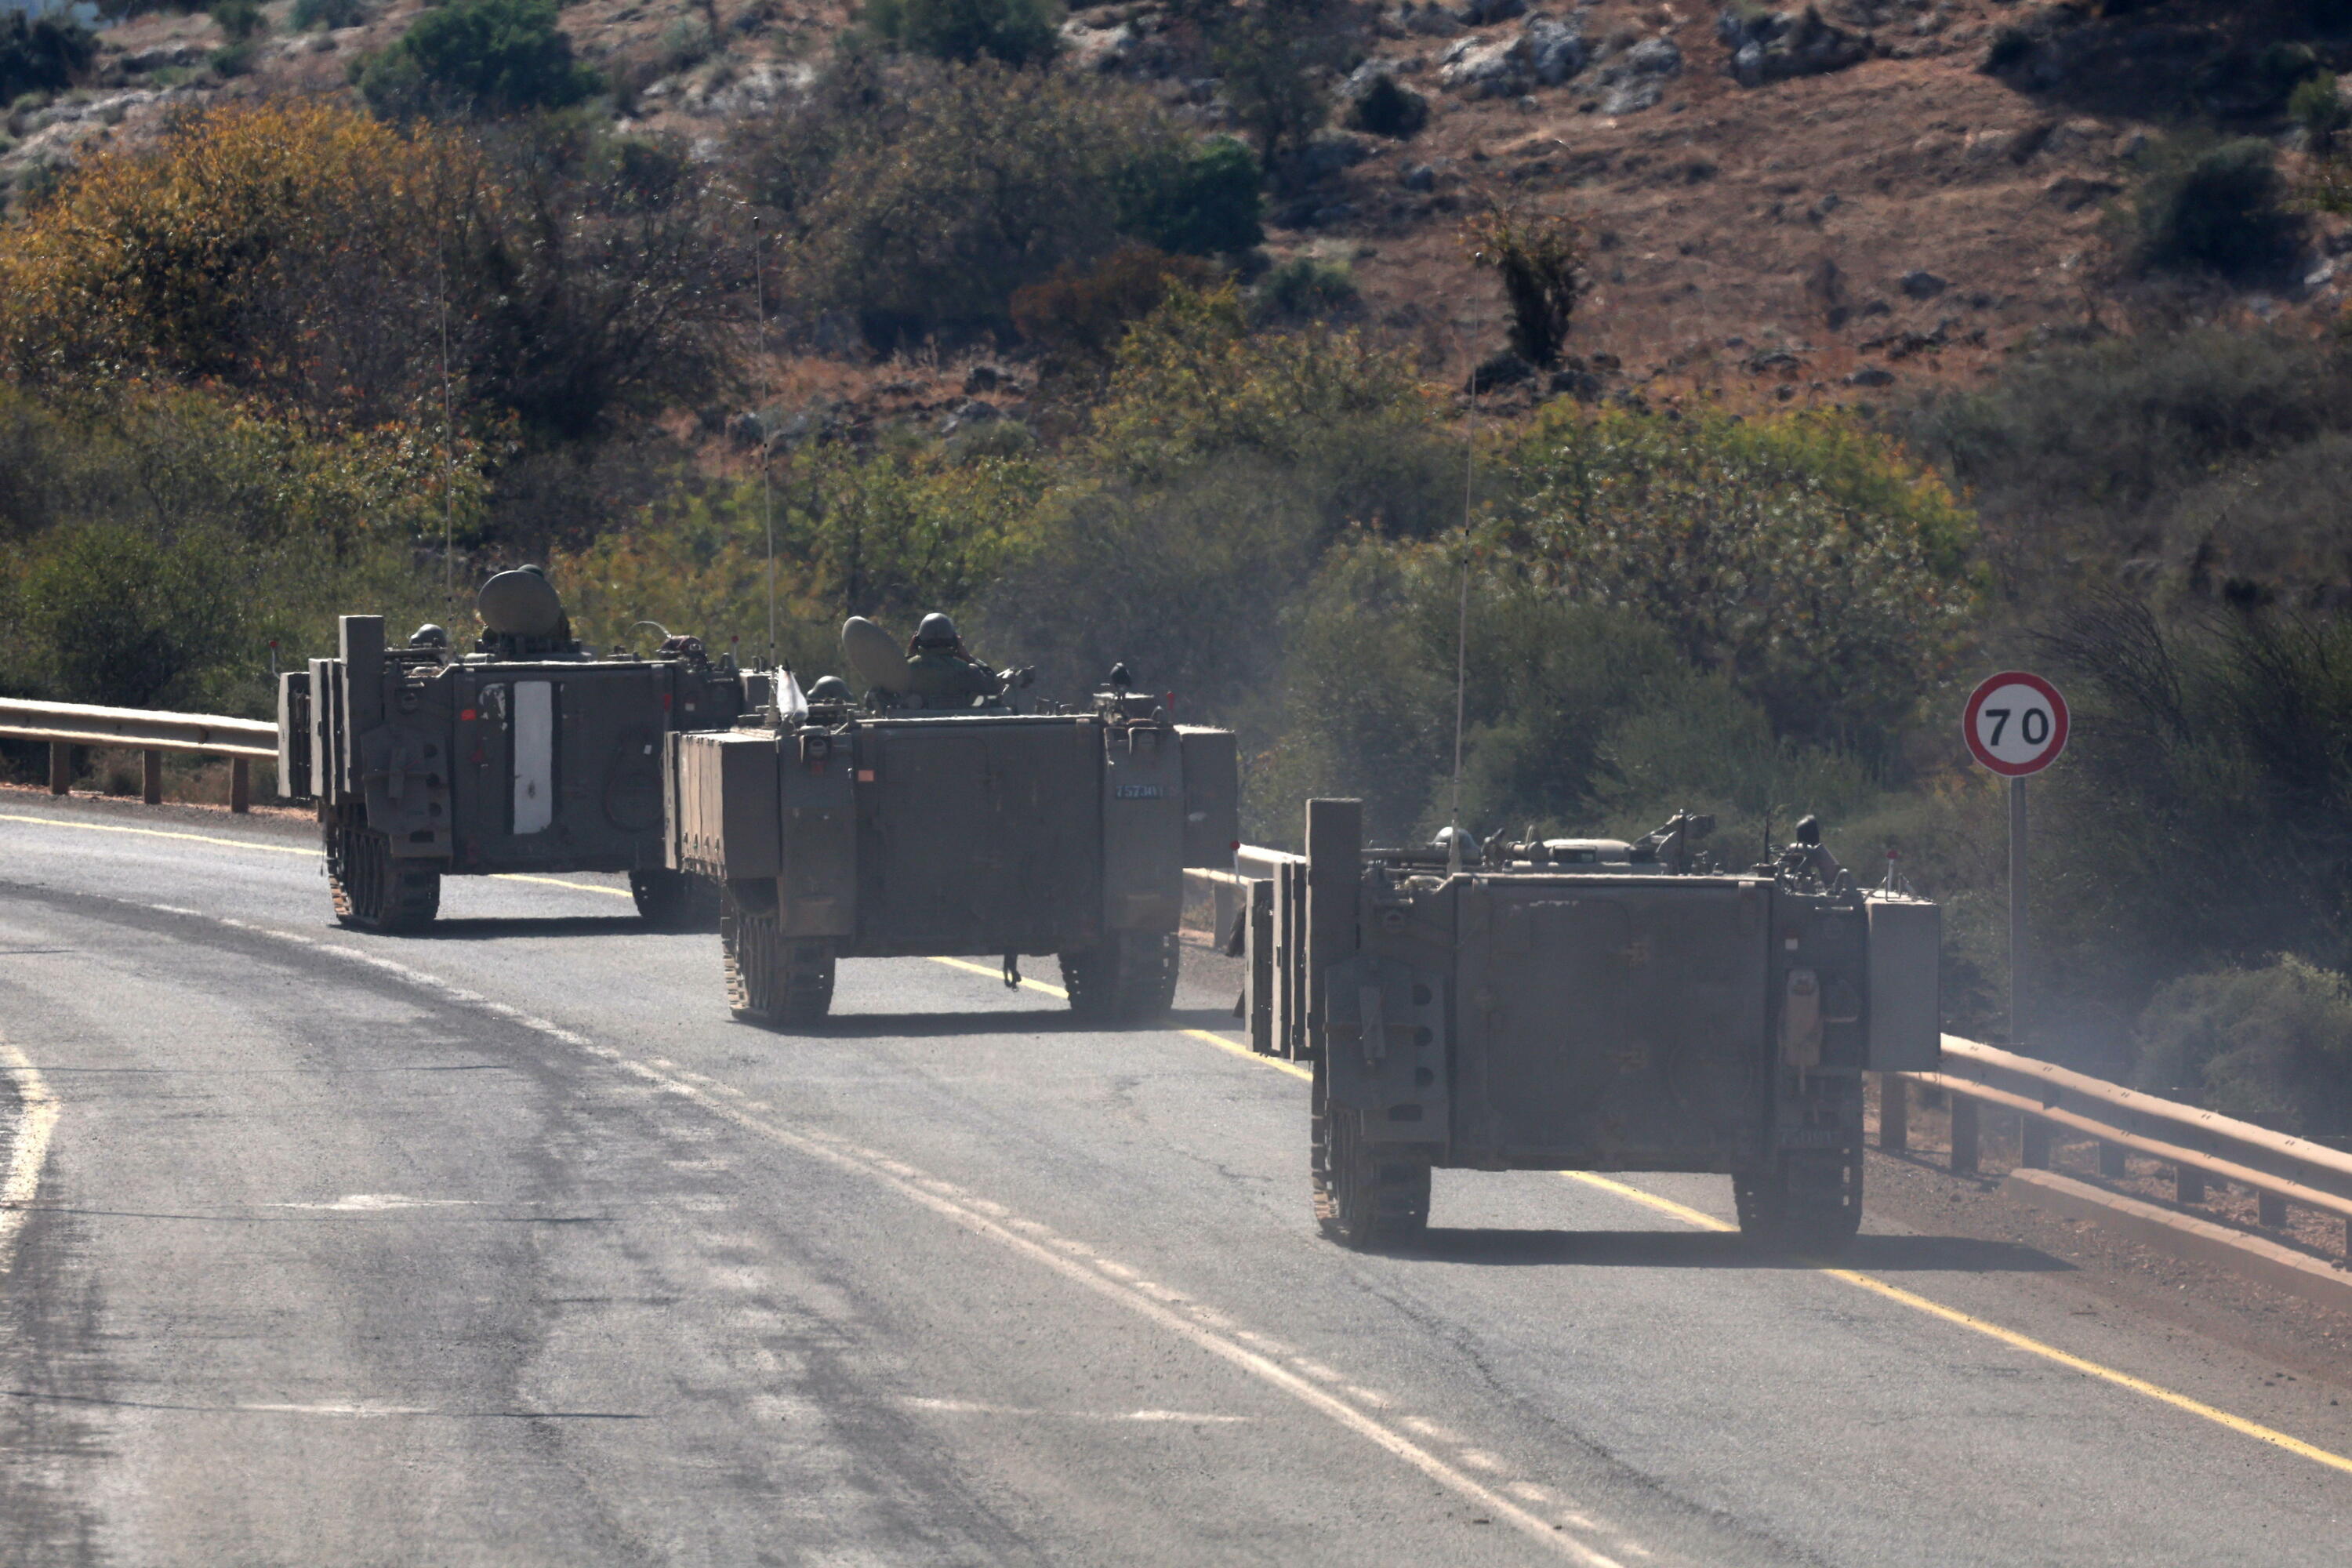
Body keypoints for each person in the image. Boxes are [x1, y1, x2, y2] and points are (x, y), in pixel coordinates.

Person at [902, 613, 1004, 702]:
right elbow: (995, 686)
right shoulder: (968, 671)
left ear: (917, 641)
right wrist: (968, 657)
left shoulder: (906, 669)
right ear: (955, 641)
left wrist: (909, 656)